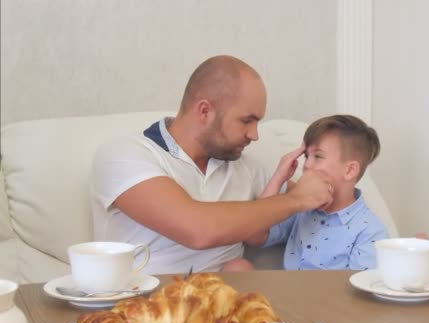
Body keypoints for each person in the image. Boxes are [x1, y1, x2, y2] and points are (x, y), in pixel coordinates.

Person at [90, 55, 333, 274]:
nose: (254, 135)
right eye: (246, 121)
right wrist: (295, 200)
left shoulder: (246, 167)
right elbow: (198, 230)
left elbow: (323, 201)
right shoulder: (126, 154)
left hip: (225, 305)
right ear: (205, 111)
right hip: (148, 304)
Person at [245, 115, 390, 270]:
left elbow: (360, 289)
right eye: (306, 156)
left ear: (349, 170)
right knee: (238, 266)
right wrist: (279, 177)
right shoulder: (302, 210)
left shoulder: (369, 232)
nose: (307, 164)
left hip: (332, 294)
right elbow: (253, 235)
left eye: (318, 156)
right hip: (289, 292)